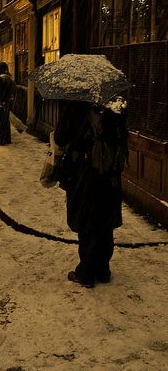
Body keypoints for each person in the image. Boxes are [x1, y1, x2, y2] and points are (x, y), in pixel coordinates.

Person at [54, 96, 128, 288]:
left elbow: (60, 137)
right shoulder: (117, 105)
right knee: (105, 220)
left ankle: (86, 272)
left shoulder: (77, 104)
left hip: (85, 173)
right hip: (111, 175)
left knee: (87, 220)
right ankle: (103, 270)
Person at [0, 61, 16, 145]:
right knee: (6, 122)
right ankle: (7, 138)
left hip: (0, 103)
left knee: (1, 122)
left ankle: (2, 140)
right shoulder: (9, 77)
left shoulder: (0, 79)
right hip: (7, 102)